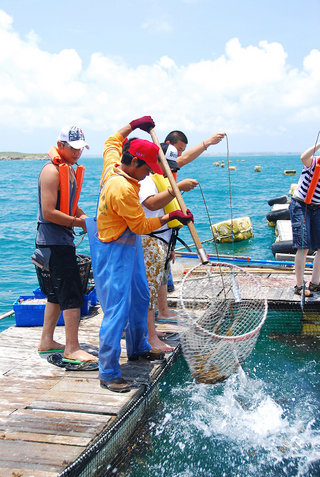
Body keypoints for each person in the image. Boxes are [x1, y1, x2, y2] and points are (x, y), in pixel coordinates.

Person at [86, 116, 193, 393]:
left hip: (130, 243)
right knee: (116, 310)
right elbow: (142, 225)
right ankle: (108, 372)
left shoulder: (114, 164)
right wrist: (172, 217)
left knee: (142, 296)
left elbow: (111, 141)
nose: (149, 174)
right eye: (147, 168)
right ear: (134, 162)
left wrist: (134, 125)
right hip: (114, 250)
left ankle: (139, 349)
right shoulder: (121, 189)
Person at [36, 126, 98, 367]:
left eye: (80, 149)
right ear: (60, 145)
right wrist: (77, 222)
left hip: (62, 240)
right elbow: (50, 212)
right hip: (54, 242)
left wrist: (87, 220)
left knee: (55, 293)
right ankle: (72, 347)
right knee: (72, 293)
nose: (77, 153)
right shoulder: (51, 172)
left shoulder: (69, 171)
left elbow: (71, 205)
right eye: (72, 148)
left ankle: (47, 340)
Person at [157, 130, 226, 321]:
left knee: (163, 272)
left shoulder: (168, 167)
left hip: (166, 229)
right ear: (168, 145)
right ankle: (158, 314)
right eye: (178, 150)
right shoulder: (157, 169)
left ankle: (162, 310)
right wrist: (208, 142)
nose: (179, 156)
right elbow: (185, 159)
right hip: (155, 229)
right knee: (156, 276)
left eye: (181, 151)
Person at [139, 143, 198, 352]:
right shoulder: (147, 178)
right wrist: (178, 187)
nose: (168, 169)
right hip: (149, 240)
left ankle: (150, 331)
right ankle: (149, 336)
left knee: (153, 290)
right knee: (147, 292)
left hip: (161, 240)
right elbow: (151, 204)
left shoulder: (162, 177)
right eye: (166, 164)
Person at [289, 141, 320, 296]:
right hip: (300, 205)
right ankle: (300, 285)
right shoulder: (314, 162)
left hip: (318, 208)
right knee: (303, 246)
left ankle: (315, 283)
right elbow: (304, 157)